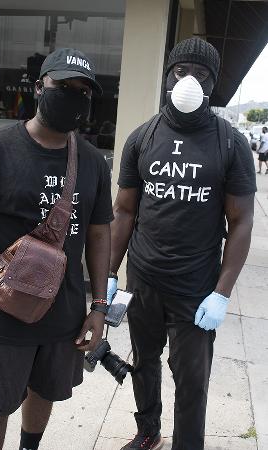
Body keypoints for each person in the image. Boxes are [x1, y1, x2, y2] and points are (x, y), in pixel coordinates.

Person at [107, 37, 256, 450]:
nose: (189, 80)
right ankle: (148, 431)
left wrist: (222, 293)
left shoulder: (230, 143)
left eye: (202, 74)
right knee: (143, 361)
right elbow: (124, 212)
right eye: (180, 71)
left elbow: (241, 222)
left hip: (196, 285)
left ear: (213, 84)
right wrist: (108, 273)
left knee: (192, 378)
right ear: (168, 75)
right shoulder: (142, 137)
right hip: (144, 277)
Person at [0, 48, 113, 450]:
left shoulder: (93, 163)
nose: (74, 96)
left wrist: (98, 307)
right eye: (64, 86)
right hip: (1, 312)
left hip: (63, 313)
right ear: (38, 88)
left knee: (45, 392)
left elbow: (100, 234)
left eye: (83, 91)